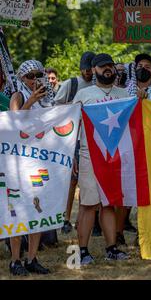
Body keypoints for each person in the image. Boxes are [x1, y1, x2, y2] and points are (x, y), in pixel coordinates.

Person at [72, 53, 131, 264]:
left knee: (109, 203)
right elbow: (71, 127)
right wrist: (73, 154)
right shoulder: (83, 94)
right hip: (89, 155)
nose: (108, 69)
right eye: (103, 66)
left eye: (110, 66)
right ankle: (83, 251)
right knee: (88, 204)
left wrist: (141, 101)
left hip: (115, 157)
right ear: (94, 70)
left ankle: (111, 248)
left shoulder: (124, 94)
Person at [8, 60, 55, 276]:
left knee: (38, 209)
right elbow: (13, 123)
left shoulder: (48, 99)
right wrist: (32, 101)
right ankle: (15, 260)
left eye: (38, 74)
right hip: (18, 163)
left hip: (41, 161)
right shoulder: (18, 96)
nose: (34, 79)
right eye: (30, 76)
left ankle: (32, 258)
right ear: (22, 78)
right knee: (17, 212)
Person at [54, 51, 96, 235]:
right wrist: (73, 107)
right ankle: (65, 218)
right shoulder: (70, 84)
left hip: (91, 137)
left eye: (90, 69)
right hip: (72, 138)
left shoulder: (97, 84)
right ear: (80, 69)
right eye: (85, 69)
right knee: (71, 181)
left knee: (89, 181)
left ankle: (86, 220)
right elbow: (55, 107)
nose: (88, 73)